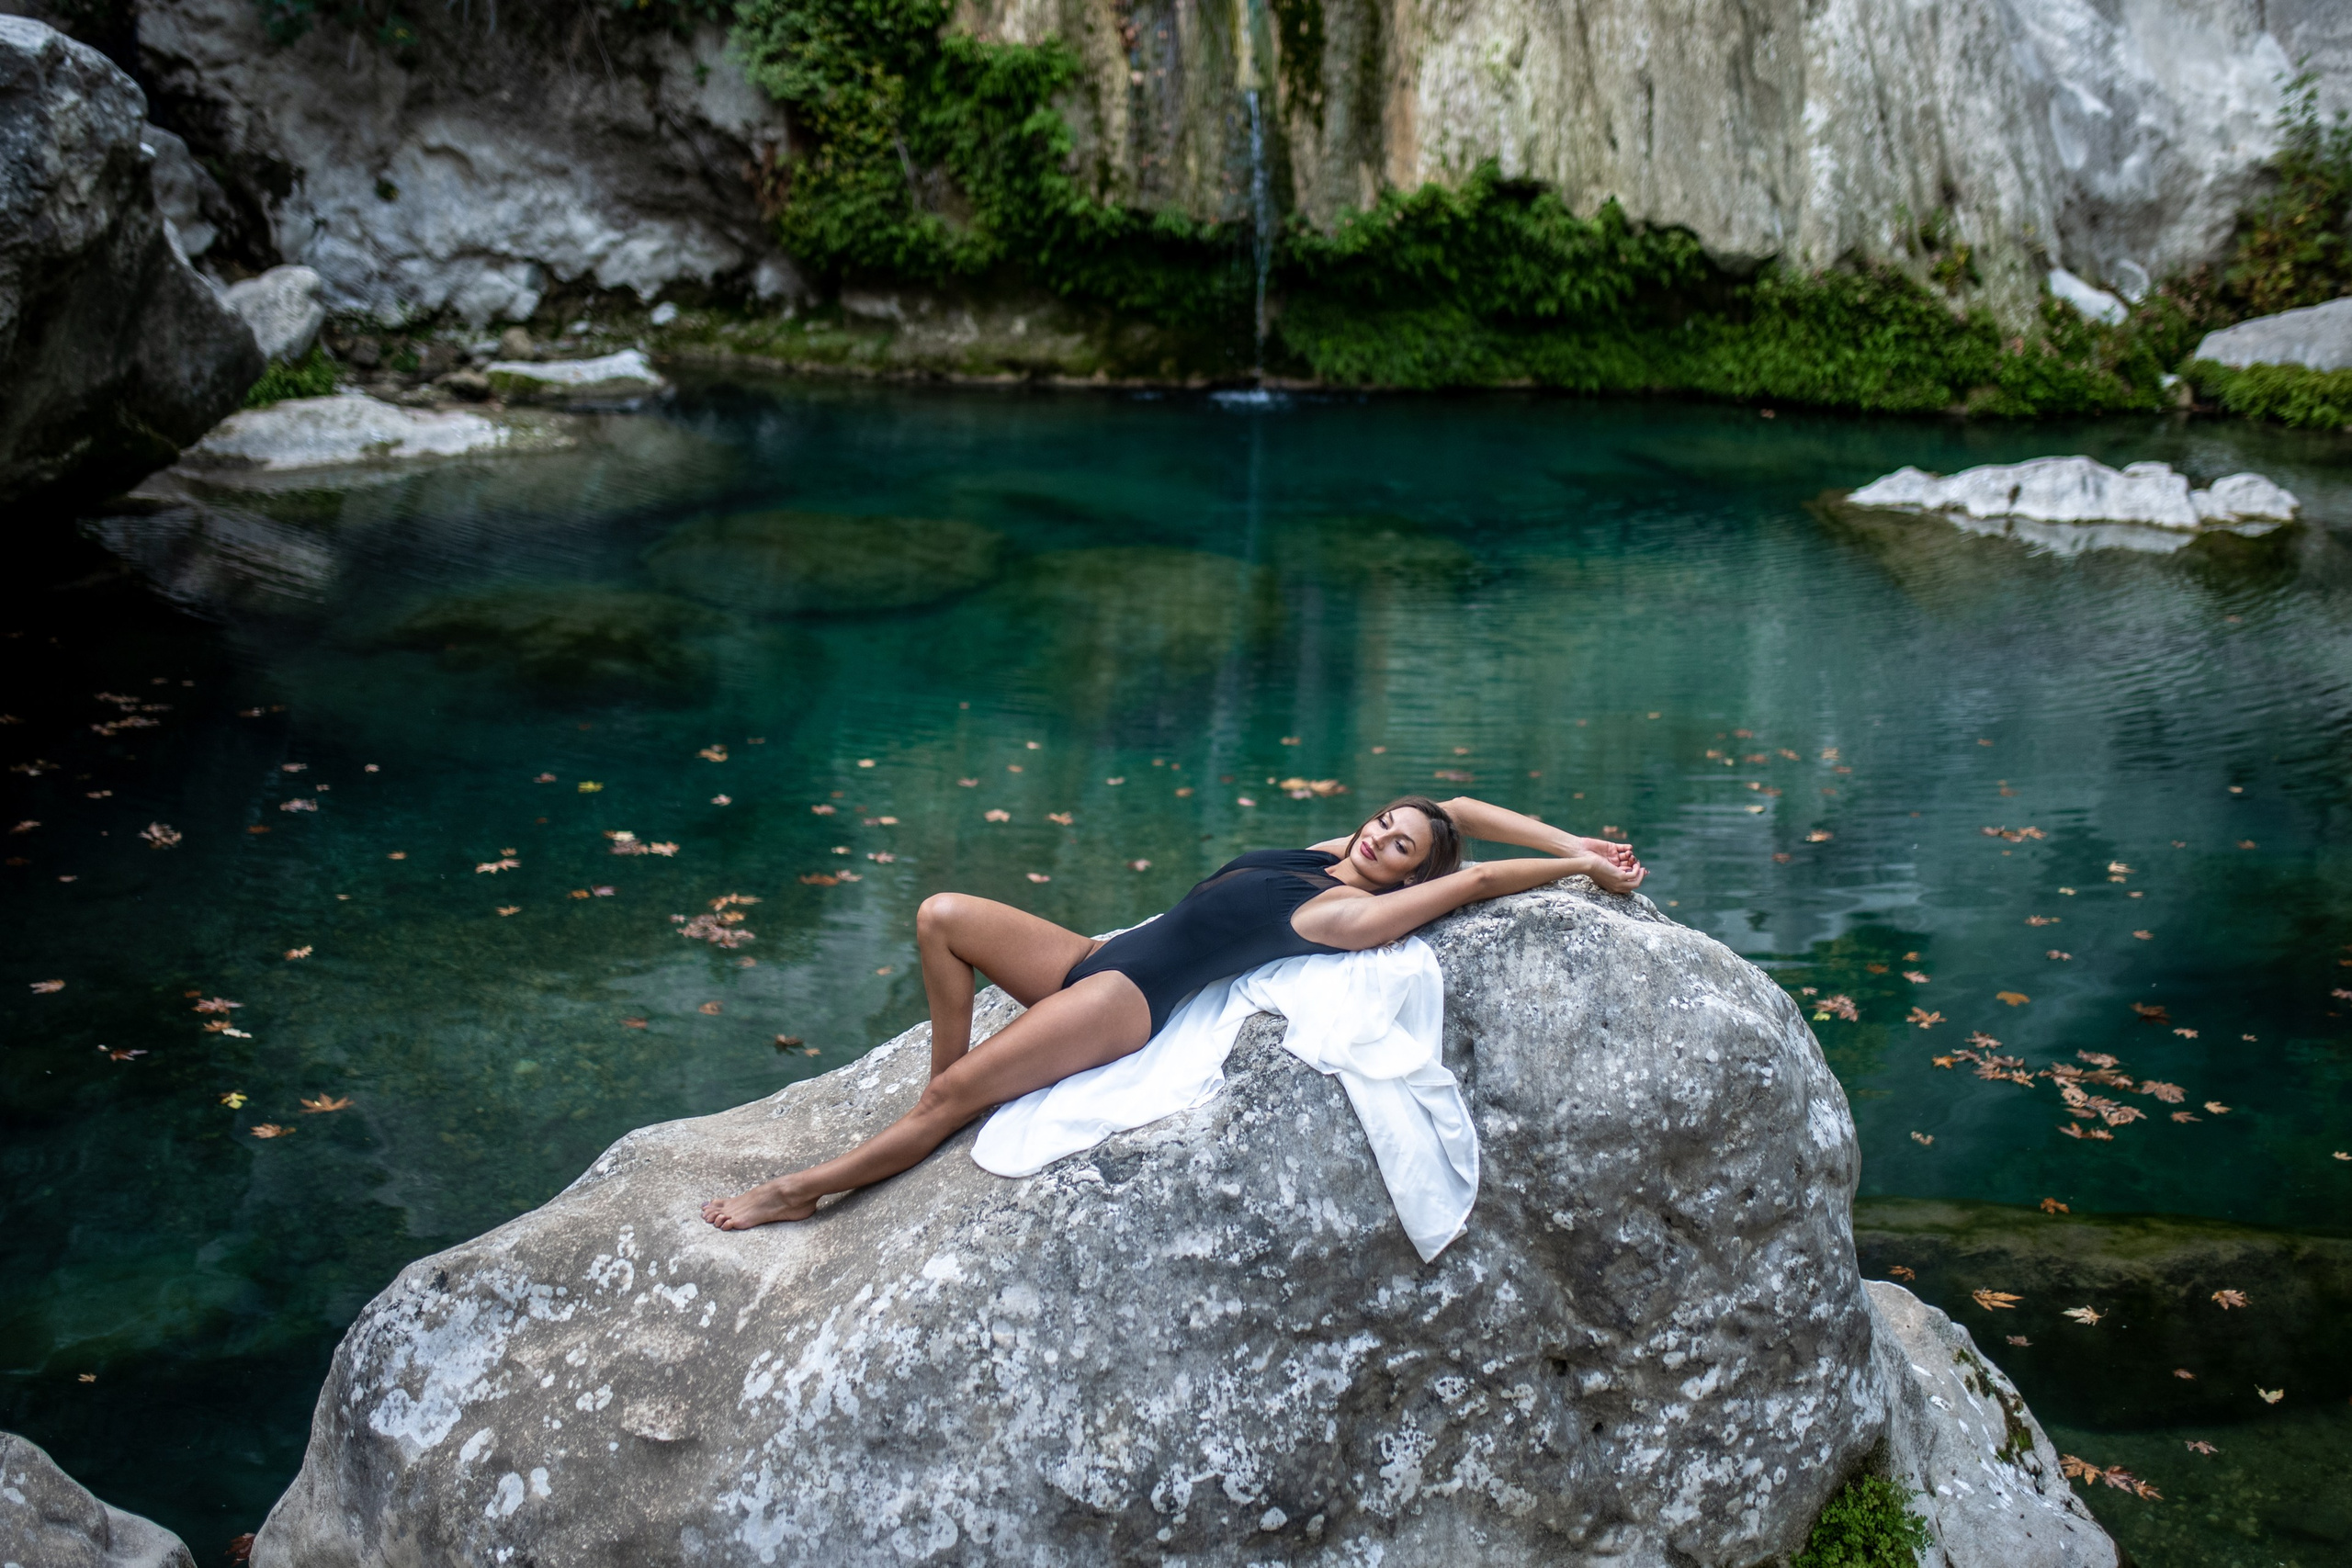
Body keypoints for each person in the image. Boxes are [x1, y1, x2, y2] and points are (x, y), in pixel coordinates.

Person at [702, 795, 1645, 1229]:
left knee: (953, 1105)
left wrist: (1577, 869)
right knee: (942, 915)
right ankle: (941, 1080)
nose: (1380, 838)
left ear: (1408, 879)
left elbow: (1471, 874)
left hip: (1123, 1003)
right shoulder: (1327, 856)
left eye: (1400, 847)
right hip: (1091, 958)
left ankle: (802, 1191)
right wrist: (1578, 832)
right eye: (1384, 822)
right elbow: (1461, 809)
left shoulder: (1345, 912)